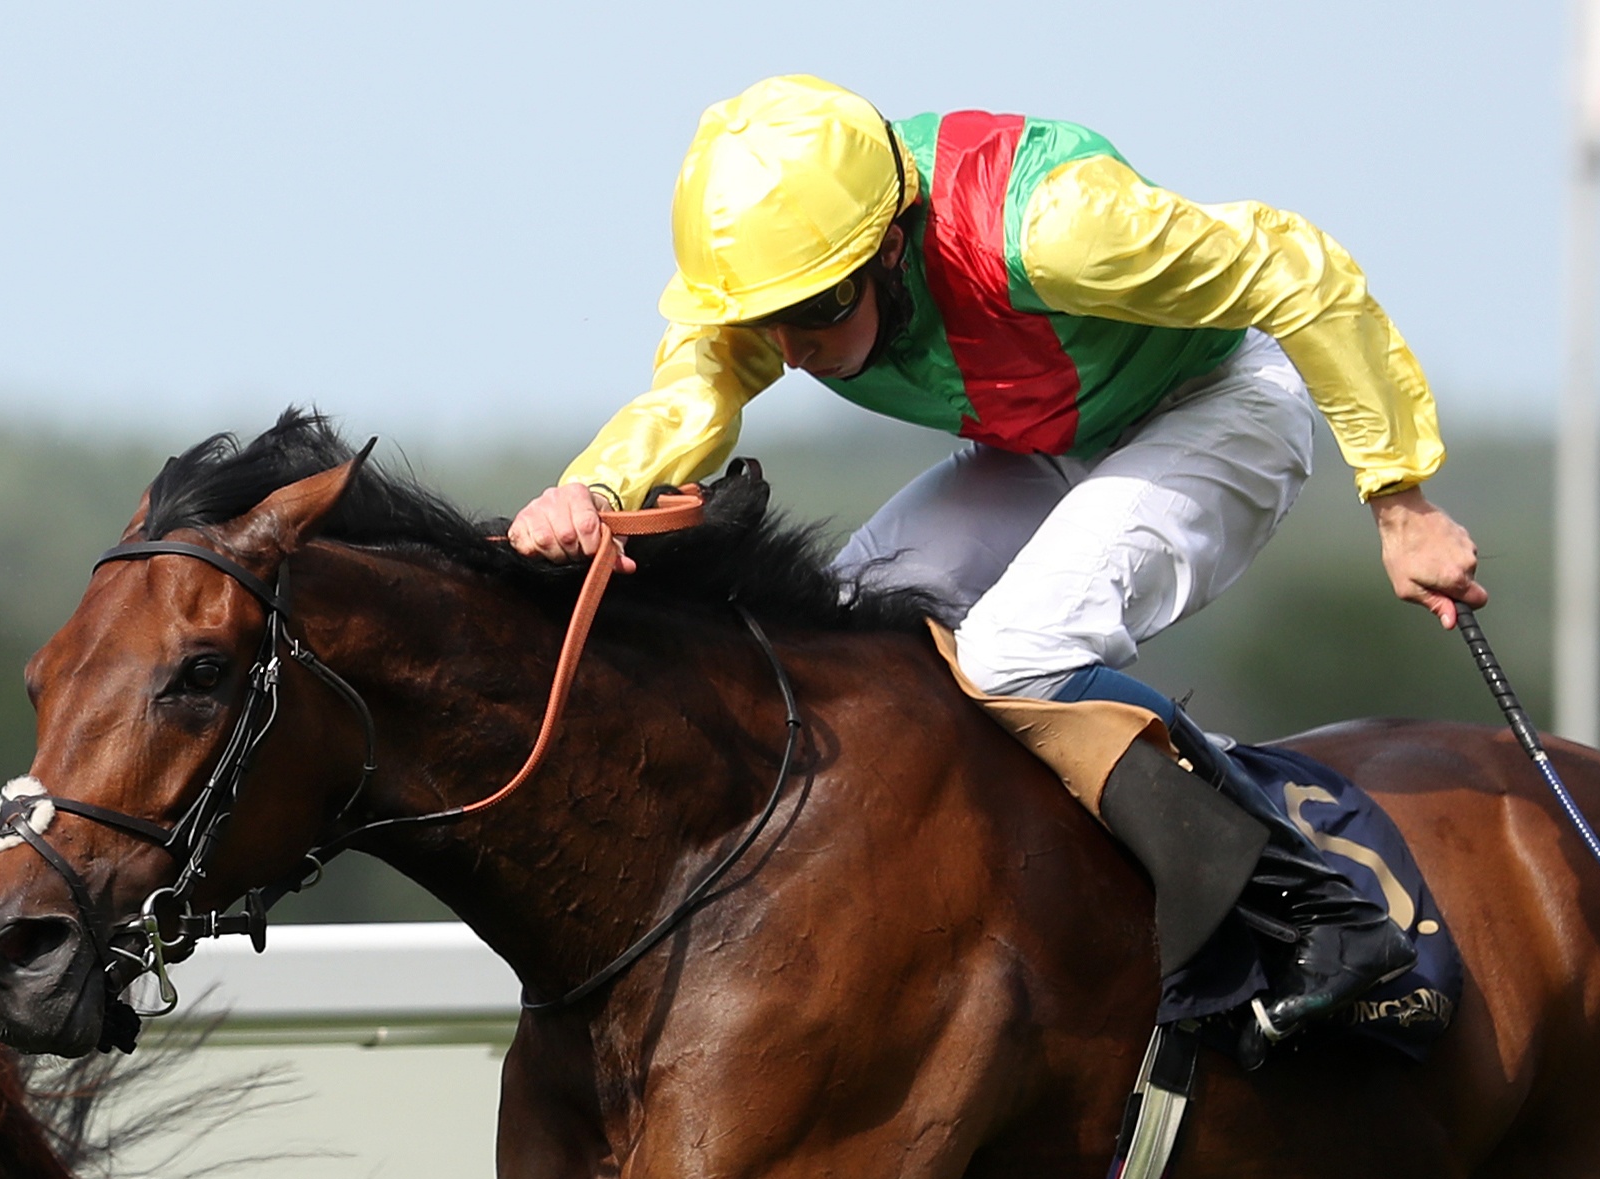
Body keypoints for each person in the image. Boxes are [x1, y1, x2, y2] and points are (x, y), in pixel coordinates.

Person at [510, 75, 1485, 1049]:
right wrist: (592, 492)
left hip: (1213, 406)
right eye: (769, 321)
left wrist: (1401, 499)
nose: (793, 349)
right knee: (837, 645)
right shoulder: (775, 272)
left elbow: (1296, 265)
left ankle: (1322, 912)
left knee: (1014, 651)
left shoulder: (1055, 228)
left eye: (816, 309)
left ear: (891, 243)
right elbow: (693, 388)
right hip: (1043, 439)